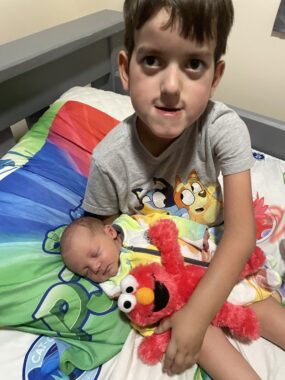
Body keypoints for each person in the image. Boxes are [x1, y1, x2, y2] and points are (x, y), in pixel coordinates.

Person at [78, 0, 285, 378]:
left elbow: (240, 234)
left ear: (215, 76)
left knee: (265, 310)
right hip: (170, 279)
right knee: (193, 330)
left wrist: (200, 310)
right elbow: (101, 232)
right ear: (125, 69)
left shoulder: (222, 128)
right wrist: (189, 316)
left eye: (193, 64)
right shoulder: (110, 158)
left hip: (220, 257)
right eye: (153, 60)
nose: (172, 87)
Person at [61, 214, 284, 379]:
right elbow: (141, 315)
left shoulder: (134, 224)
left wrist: (199, 235)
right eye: (86, 270)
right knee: (200, 343)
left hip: (214, 276)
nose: (96, 267)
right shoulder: (116, 286)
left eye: (95, 254)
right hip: (184, 312)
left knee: (256, 302)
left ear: (110, 232)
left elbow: (169, 223)